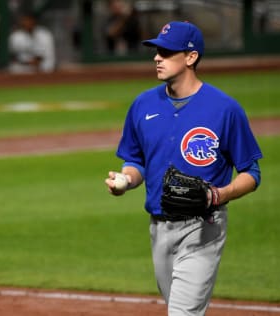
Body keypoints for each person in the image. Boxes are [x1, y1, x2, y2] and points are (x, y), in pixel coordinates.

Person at [105, 21, 263, 315]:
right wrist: (126, 179)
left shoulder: (225, 109)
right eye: (156, 51)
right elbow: (135, 160)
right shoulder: (142, 104)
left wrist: (220, 195)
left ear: (191, 57)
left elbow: (251, 173)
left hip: (203, 227)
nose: (156, 57)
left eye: (166, 52)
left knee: (182, 313)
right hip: (158, 228)